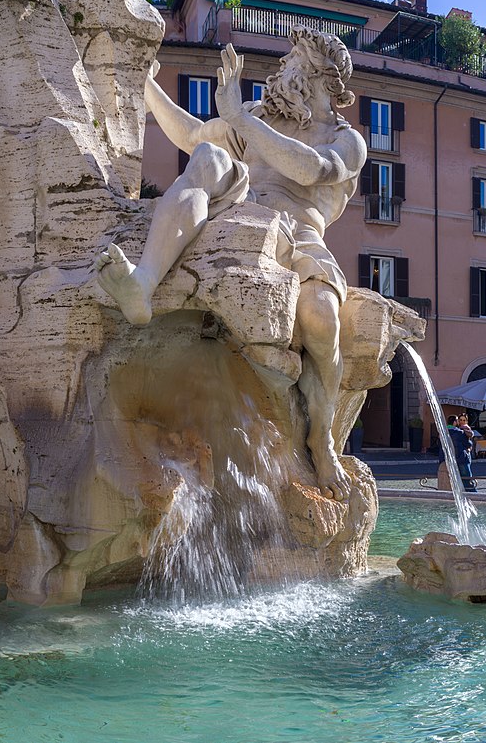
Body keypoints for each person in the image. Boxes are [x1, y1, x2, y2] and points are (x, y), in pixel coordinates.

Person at [95, 27, 366, 501]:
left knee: (322, 319)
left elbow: (308, 169)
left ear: (325, 78)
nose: (283, 69)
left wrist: (241, 117)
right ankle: (142, 283)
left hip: (300, 234)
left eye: (295, 61)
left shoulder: (346, 141)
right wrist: (145, 86)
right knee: (206, 156)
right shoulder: (259, 118)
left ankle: (321, 436)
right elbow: (188, 133)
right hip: (244, 206)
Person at [446, 415, 477, 492]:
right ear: (454, 422)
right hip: (461, 457)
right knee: (466, 477)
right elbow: (468, 444)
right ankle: (472, 493)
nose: (461, 422)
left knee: (456, 478)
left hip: (451, 458)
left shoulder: (444, 432)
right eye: (459, 420)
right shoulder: (459, 432)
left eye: (464, 420)